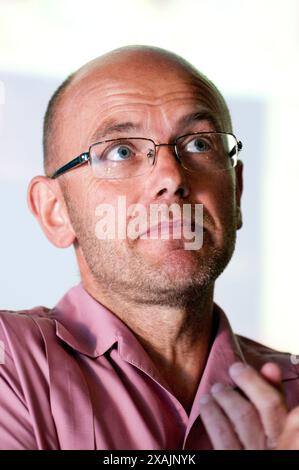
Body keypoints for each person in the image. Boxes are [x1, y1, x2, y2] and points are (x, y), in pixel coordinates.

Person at [0, 45, 298, 450]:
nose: (172, 176)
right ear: (55, 211)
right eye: (120, 151)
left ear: (237, 192)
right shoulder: (11, 364)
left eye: (199, 145)